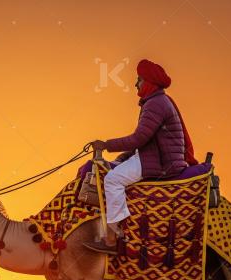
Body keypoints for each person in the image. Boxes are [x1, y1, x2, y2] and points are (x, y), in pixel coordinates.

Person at [84, 59, 198, 254]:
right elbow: (145, 140)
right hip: (157, 156)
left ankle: (111, 237)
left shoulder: (155, 104)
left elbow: (139, 138)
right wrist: (121, 157)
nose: (136, 84)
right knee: (113, 167)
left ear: (148, 82)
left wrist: (106, 145)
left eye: (139, 80)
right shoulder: (157, 101)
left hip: (163, 163)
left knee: (112, 180)